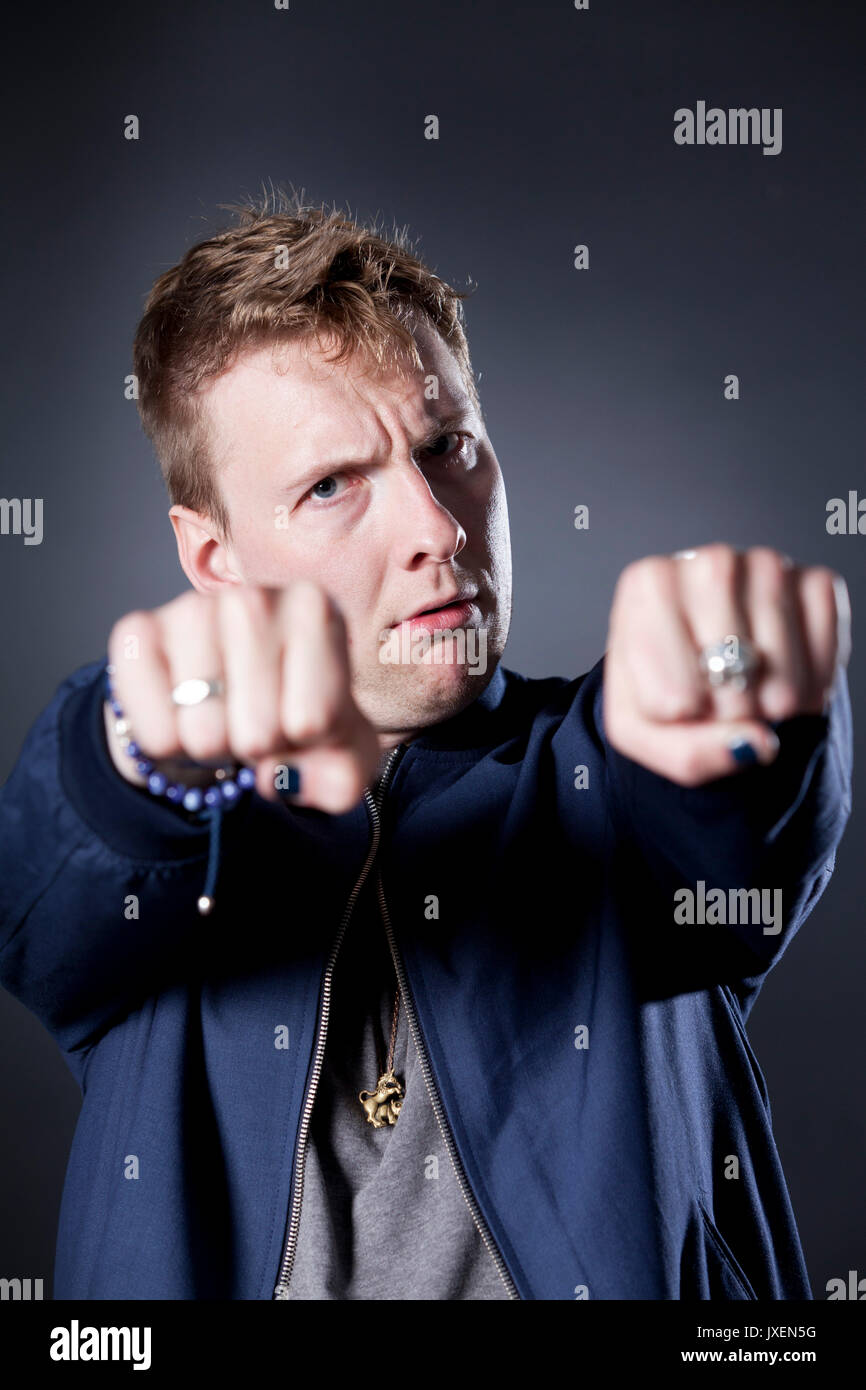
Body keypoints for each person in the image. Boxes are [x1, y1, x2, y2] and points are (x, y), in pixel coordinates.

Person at [0, 191, 852, 1301]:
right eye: (331, 485)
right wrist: (136, 761)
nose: (438, 530)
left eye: (449, 447)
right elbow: (53, 889)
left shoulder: (609, 783)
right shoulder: (173, 854)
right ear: (214, 560)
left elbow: (734, 838)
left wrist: (738, 700)